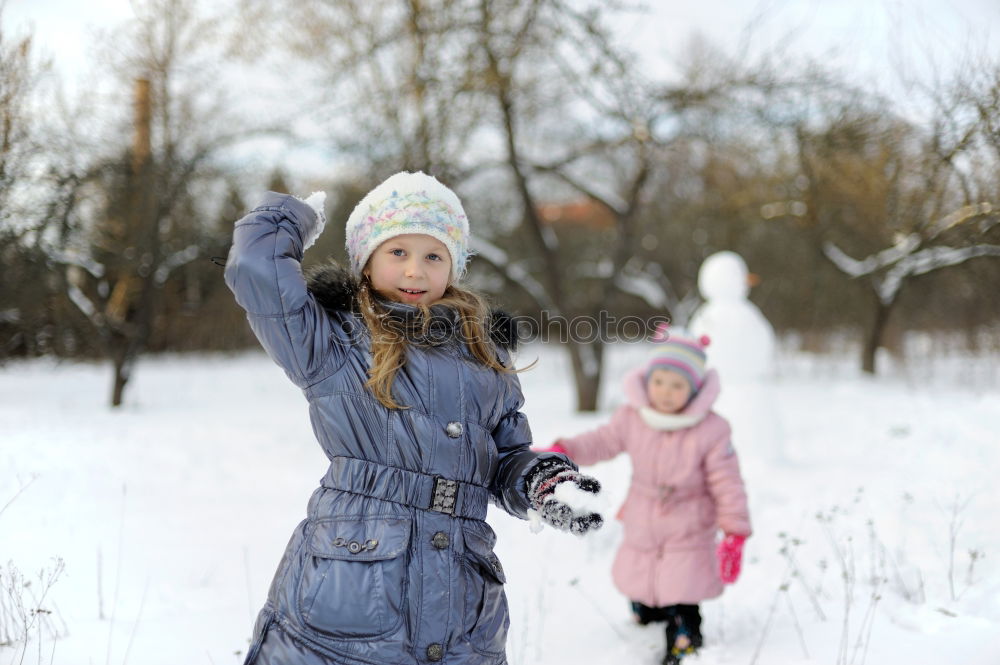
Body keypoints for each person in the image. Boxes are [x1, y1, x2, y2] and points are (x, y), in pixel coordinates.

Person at [224, 171, 603, 665]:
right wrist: (290, 219)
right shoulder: (333, 343)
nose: (415, 272)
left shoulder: (485, 354)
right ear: (366, 260)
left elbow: (506, 455)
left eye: (433, 256)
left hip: (462, 604)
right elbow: (256, 270)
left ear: (453, 266)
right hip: (352, 589)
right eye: (397, 252)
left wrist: (537, 479)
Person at [541, 330, 751, 665]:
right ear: (648, 380)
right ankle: (646, 613)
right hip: (643, 513)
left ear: (695, 389)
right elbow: (602, 441)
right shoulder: (633, 417)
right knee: (642, 573)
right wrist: (564, 450)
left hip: (689, 519)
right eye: (661, 382)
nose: (666, 392)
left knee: (683, 583)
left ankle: (684, 634)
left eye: (678, 385)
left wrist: (735, 532)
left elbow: (728, 483)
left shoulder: (711, 429)